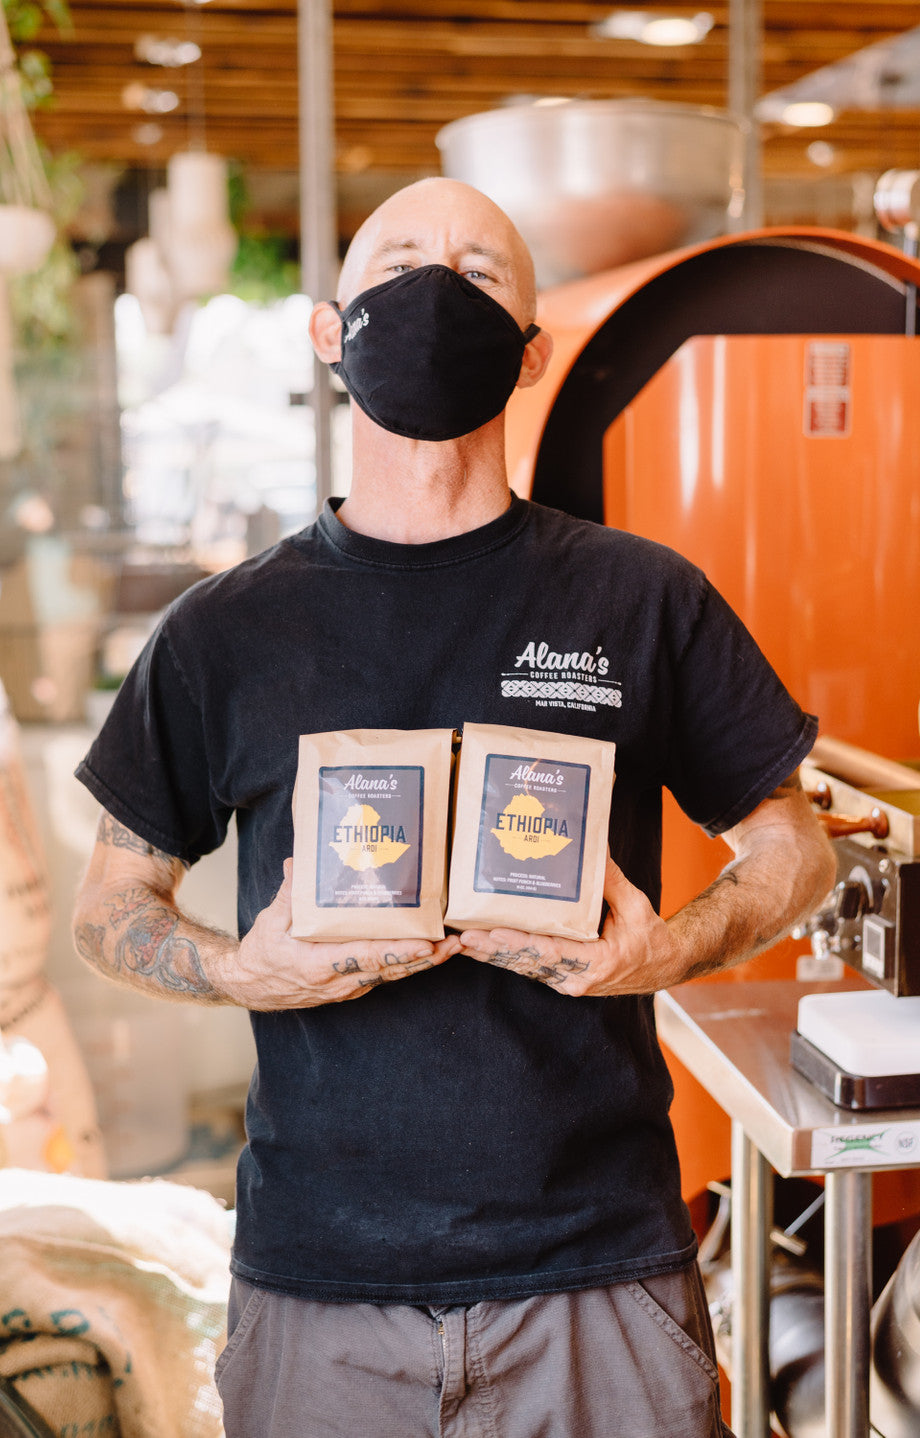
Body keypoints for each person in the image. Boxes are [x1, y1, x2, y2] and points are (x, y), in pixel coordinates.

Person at [72, 177, 835, 1438]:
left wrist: (665, 949)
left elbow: (790, 846)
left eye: (481, 273)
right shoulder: (227, 630)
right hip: (319, 1290)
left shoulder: (639, 600)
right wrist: (238, 968)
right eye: (401, 263)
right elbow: (113, 906)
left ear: (530, 355)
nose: (437, 290)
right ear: (330, 330)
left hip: (599, 1275)